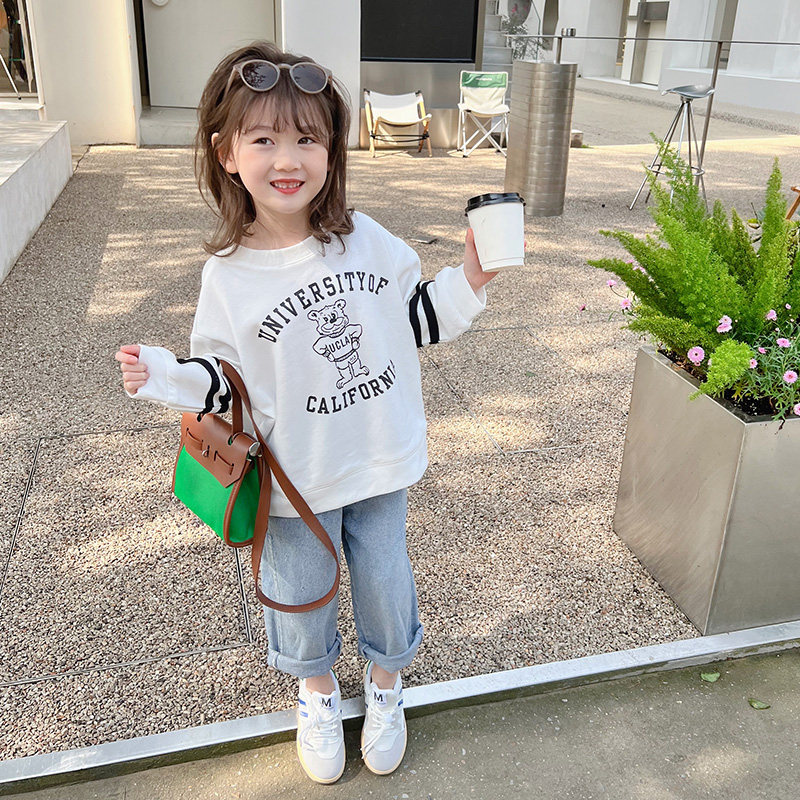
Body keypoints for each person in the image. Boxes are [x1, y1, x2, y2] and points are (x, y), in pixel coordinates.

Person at [115, 40, 496, 785]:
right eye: (263, 139)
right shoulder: (228, 276)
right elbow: (224, 384)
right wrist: (164, 375)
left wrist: (471, 278)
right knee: (298, 592)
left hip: (377, 457)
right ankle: (317, 691)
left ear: (332, 151)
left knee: (384, 577)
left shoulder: (365, 239)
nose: (286, 159)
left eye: (306, 139)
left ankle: (385, 683)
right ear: (227, 154)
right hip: (293, 477)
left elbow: (416, 319)